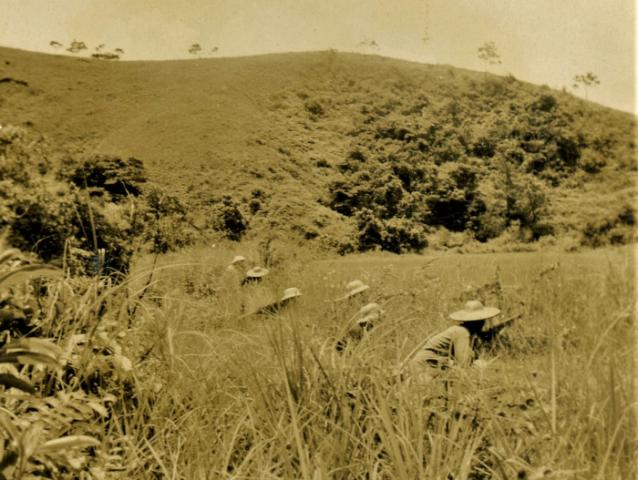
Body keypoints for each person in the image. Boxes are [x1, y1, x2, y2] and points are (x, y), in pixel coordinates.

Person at [408, 300, 503, 370]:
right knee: (480, 366)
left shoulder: (461, 331)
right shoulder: (462, 332)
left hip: (430, 365)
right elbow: (464, 364)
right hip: (424, 366)